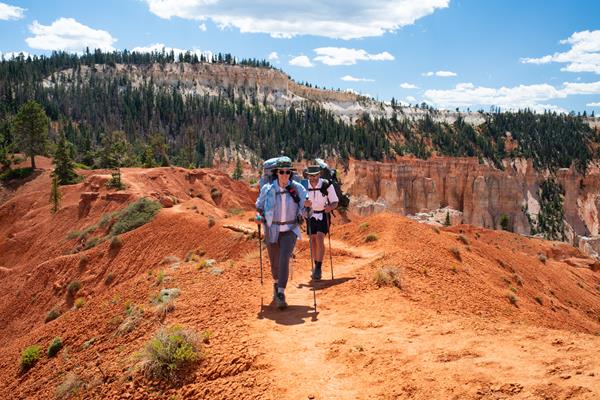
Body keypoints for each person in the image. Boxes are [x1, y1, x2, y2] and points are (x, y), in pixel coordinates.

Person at [255, 157, 310, 309]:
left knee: (284, 257)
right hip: (272, 229)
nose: (285, 175)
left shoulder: (298, 189)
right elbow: (259, 206)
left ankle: (281, 292)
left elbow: (305, 210)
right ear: (276, 173)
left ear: (290, 173)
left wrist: (307, 207)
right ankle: (276, 283)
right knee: (275, 262)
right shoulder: (268, 189)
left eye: (287, 172)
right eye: (282, 172)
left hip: (290, 229)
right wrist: (259, 216)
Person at [304, 165, 338, 280]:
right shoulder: (304, 186)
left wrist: (330, 207)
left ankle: (318, 268)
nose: (313, 178)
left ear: (319, 174)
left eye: (315, 175)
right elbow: (299, 200)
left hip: (323, 214)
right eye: (311, 176)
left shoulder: (326, 185)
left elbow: (335, 202)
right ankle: (315, 264)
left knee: (319, 238)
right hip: (310, 215)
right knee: (313, 240)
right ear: (307, 175)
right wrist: (304, 205)